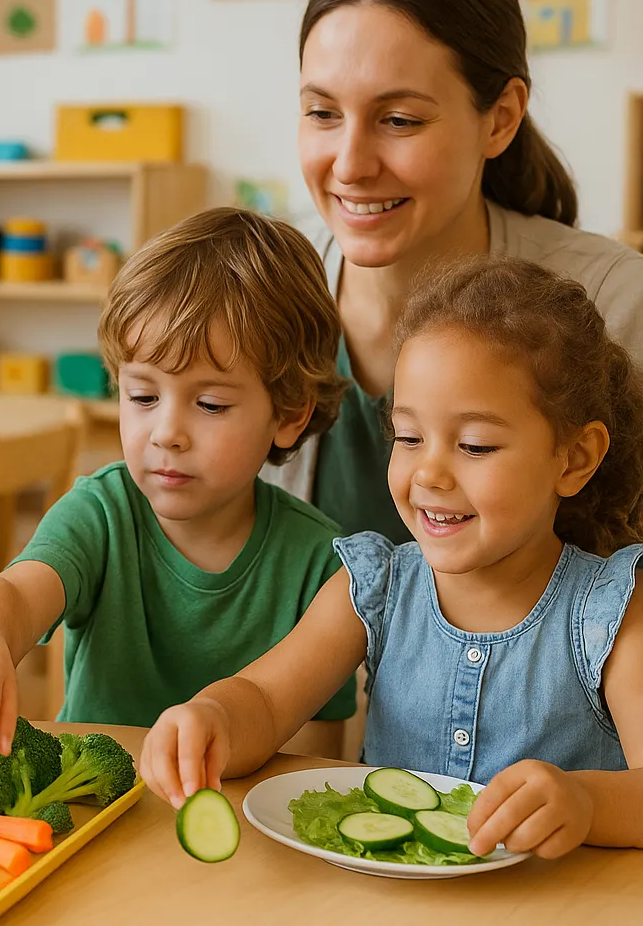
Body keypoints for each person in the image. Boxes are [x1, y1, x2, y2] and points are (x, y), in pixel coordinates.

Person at [144, 259, 643, 859]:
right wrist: (212, 717)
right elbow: (266, 702)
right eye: (408, 438)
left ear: (575, 458)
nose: (428, 473)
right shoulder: (374, 587)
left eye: (475, 445)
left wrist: (585, 802)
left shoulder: (613, 614)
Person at [0, 208, 355, 765]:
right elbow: (15, 595)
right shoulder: (100, 513)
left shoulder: (325, 567)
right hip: (92, 805)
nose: (167, 433)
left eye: (210, 404)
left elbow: (317, 764)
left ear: (290, 414)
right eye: (143, 397)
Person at [268, 0, 643, 542]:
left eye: (399, 120)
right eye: (323, 113)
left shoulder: (616, 309)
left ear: (500, 120)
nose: (350, 165)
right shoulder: (260, 290)